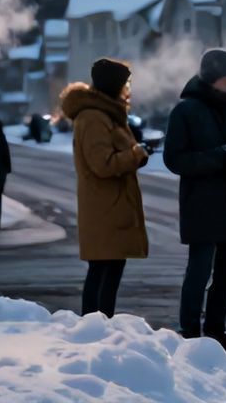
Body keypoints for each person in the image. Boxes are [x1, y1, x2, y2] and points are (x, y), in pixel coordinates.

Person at [164, 49, 226, 358]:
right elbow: (174, 159)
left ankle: (216, 330)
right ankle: (190, 330)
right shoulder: (186, 111)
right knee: (200, 269)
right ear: (211, 76)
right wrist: (219, 156)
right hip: (203, 203)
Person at [61, 58, 150, 318]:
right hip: (104, 209)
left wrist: (138, 154)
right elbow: (102, 164)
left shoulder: (106, 113)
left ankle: (99, 326)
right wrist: (135, 154)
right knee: (103, 272)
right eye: (125, 84)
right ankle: (96, 327)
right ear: (113, 85)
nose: (127, 89)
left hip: (111, 207)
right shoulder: (93, 117)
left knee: (108, 270)